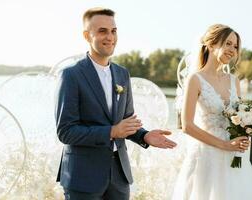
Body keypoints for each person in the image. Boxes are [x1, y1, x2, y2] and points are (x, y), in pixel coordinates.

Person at [55, 7, 177, 200]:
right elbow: (66, 132)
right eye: (102, 31)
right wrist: (111, 131)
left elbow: (126, 122)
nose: (110, 37)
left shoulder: (122, 74)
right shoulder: (71, 75)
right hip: (83, 177)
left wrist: (144, 136)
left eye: (113, 31)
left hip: (119, 177)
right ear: (87, 35)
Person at [172, 24, 252, 200]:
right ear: (212, 44)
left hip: (234, 158)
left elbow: (240, 117)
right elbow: (187, 126)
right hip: (206, 157)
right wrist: (224, 145)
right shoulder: (195, 79)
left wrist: (245, 134)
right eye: (228, 43)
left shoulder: (234, 81)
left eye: (235, 46)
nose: (232, 50)